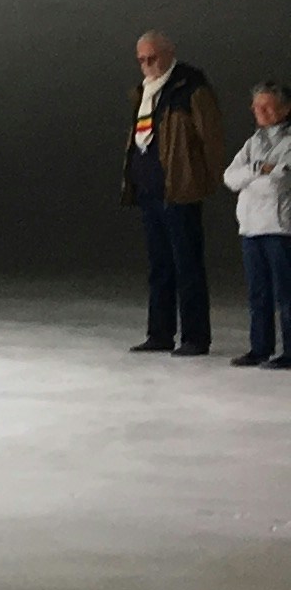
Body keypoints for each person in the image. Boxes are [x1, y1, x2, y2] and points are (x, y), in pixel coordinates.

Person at [123, 32, 224, 356]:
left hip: (180, 190)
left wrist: (206, 181)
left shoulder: (190, 86)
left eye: (152, 58)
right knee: (160, 265)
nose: (147, 65)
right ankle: (160, 333)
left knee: (187, 265)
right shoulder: (144, 92)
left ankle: (195, 337)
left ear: (170, 53)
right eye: (141, 59)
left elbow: (212, 139)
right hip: (151, 190)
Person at [225, 81, 291, 371]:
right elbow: (230, 177)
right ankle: (260, 348)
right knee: (258, 293)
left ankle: (289, 351)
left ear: (285, 108)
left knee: (286, 293)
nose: (259, 111)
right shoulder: (254, 141)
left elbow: (281, 182)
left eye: (267, 106)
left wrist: (251, 176)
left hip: (279, 227)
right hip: (251, 226)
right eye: (256, 106)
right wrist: (260, 169)